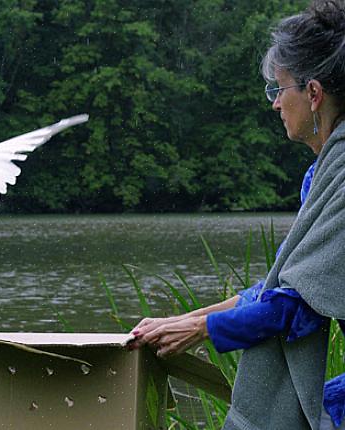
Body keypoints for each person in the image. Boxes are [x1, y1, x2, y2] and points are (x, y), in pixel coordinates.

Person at [128, 1, 345, 429]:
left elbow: (294, 310)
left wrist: (201, 330)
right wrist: (183, 320)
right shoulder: (324, 175)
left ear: (314, 93)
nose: (275, 104)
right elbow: (277, 289)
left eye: (279, 89)